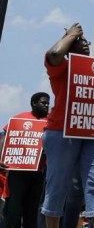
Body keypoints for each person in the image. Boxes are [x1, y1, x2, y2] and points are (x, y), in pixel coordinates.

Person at [41, 23, 94, 228]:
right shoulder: (62, 66)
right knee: (58, 186)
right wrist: (71, 34)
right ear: (69, 45)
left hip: (93, 133)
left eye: (86, 41)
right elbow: (54, 53)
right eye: (79, 41)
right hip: (61, 131)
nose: (85, 43)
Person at [1, 92, 50, 228]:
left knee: (33, 210)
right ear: (34, 103)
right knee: (13, 209)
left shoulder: (51, 121)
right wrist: (1, 158)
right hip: (18, 173)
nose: (46, 106)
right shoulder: (19, 118)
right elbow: (5, 137)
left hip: (40, 172)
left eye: (48, 103)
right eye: (43, 103)